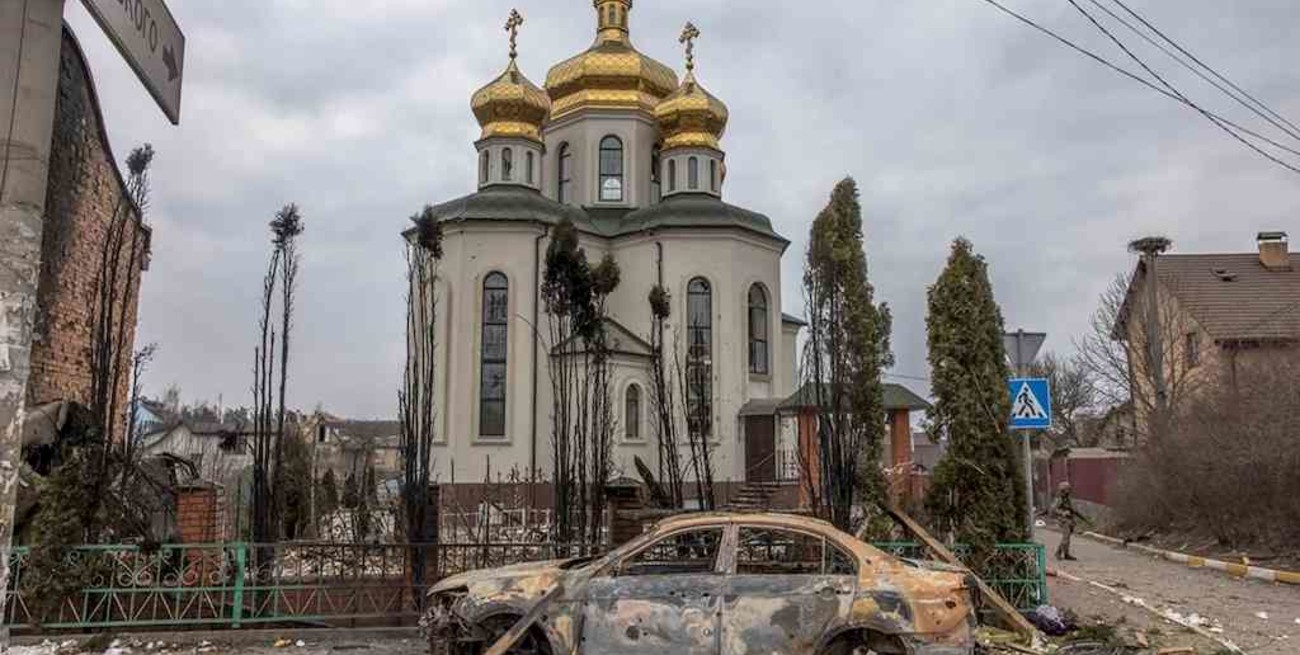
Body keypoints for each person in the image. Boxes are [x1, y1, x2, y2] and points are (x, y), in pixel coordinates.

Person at [1053, 482, 1083, 561]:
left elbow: (1071, 508)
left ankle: (1066, 554)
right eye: (1067, 489)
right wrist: (1063, 513)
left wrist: (1074, 512)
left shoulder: (1067, 499)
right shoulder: (1059, 499)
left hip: (1069, 520)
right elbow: (1054, 509)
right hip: (1063, 520)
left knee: (1067, 538)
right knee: (1065, 538)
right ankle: (1058, 553)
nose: (1068, 491)